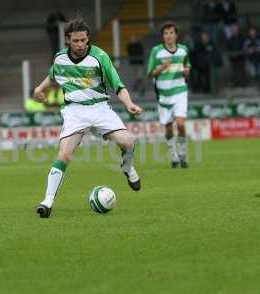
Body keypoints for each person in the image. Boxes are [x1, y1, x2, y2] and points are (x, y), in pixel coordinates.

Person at [33, 18, 142, 218]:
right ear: (67, 40)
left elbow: (118, 86)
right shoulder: (60, 59)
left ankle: (127, 167)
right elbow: (52, 76)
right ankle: (47, 201)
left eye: (84, 40)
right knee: (64, 154)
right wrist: (40, 89)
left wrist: (129, 104)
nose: (81, 44)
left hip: (100, 108)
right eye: (76, 41)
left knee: (128, 142)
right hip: (74, 111)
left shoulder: (100, 57)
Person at [147, 21, 191, 168]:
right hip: (163, 95)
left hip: (180, 91)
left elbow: (187, 66)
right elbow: (151, 73)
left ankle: (183, 155)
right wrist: (161, 67)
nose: (169, 36)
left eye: (171, 33)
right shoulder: (156, 51)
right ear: (162, 36)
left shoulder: (183, 50)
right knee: (168, 127)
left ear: (176, 35)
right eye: (166, 33)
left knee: (181, 124)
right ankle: (173, 156)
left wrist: (187, 71)